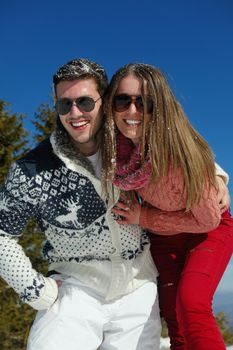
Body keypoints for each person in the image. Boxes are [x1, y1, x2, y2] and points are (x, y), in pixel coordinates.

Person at [0, 59, 161, 350]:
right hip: (75, 287)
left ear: (104, 101)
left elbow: (180, 148)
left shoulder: (135, 144)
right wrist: (35, 290)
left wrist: (214, 174)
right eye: (65, 104)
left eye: (85, 102)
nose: (75, 113)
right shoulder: (33, 169)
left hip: (138, 285)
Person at [103, 62, 233, 350]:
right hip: (163, 234)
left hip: (208, 227)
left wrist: (143, 216)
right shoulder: (116, 148)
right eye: (122, 100)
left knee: (192, 304)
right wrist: (219, 173)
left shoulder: (177, 154)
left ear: (159, 107)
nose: (132, 111)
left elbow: (208, 220)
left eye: (144, 103)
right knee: (173, 313)